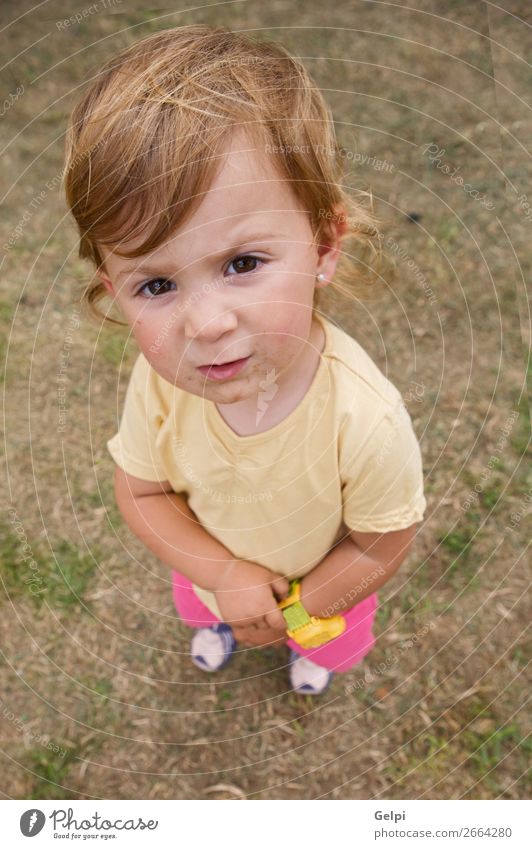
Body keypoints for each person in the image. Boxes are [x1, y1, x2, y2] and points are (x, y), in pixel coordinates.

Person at [63, 24, 426, 695]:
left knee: (327, 639)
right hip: (210, 566)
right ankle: (222, 623)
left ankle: (309, 653)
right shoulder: (161, 383)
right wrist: (224, 576)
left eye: (242, 263)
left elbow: (383, 539)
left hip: (323, 586)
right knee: (207, 602)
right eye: (157, 284)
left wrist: (302, 607)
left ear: (322, 244)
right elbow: (142, 490)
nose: (206, 324)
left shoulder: (363, 417)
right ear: (116, 291)